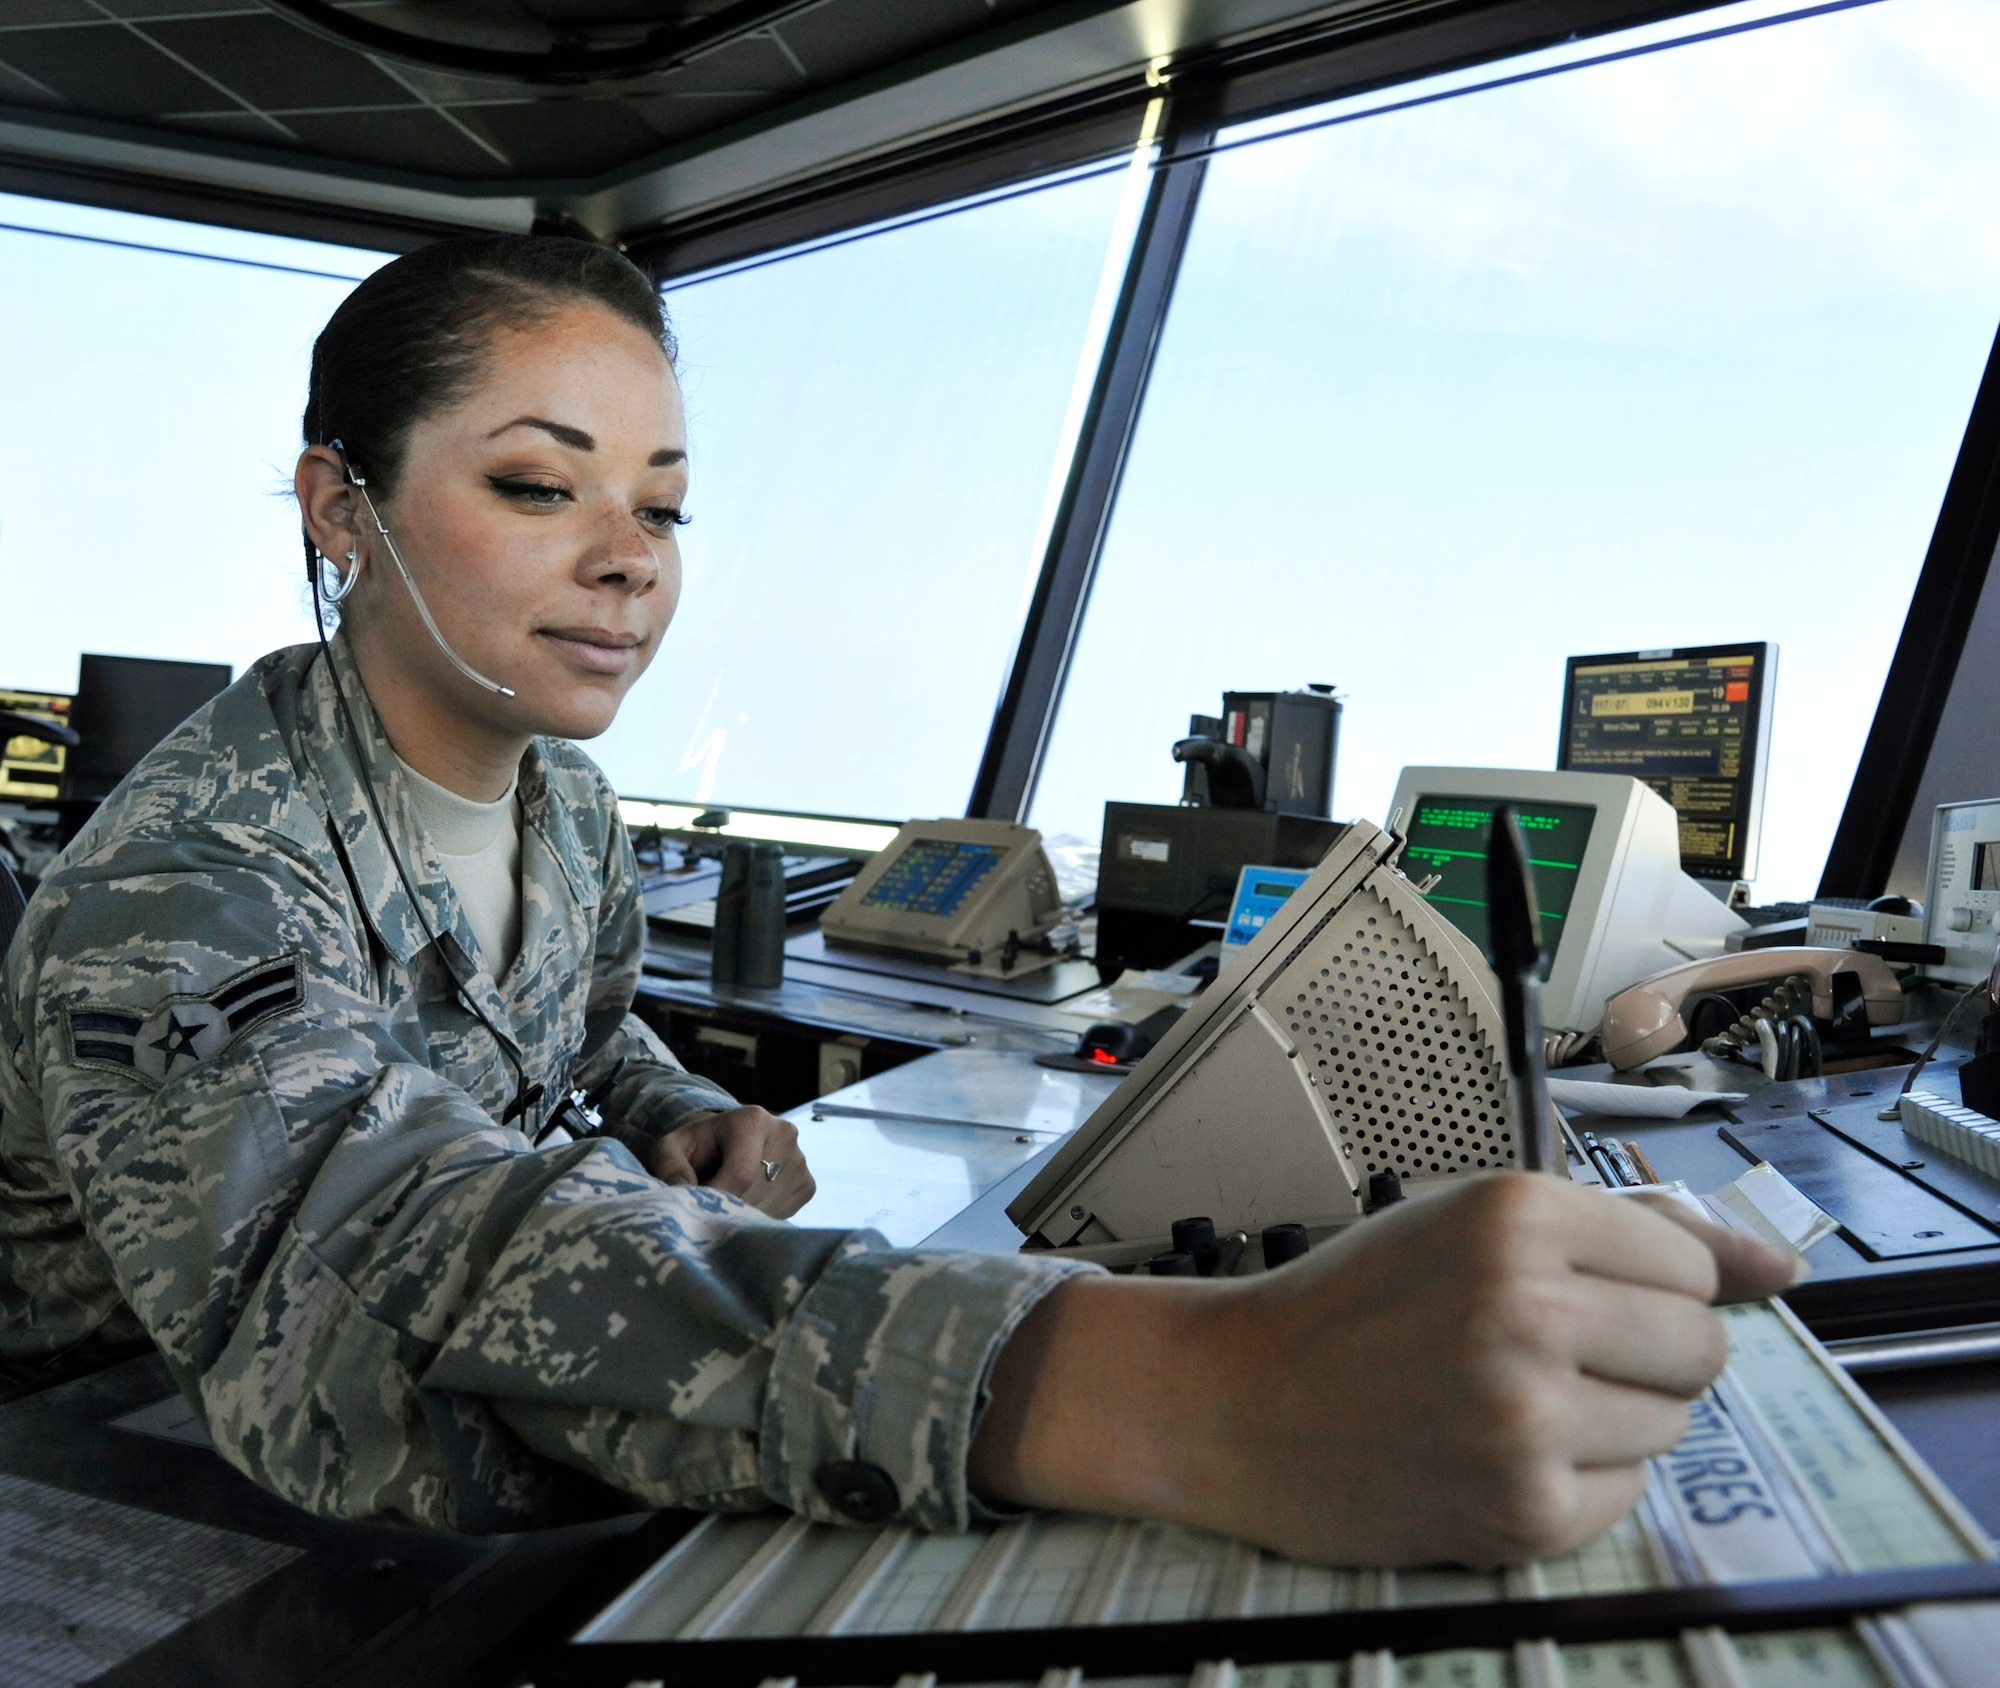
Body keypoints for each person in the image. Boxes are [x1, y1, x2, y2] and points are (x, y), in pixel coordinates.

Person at [0, 236, 1798, 1567]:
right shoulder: (175, 890)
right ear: (342, 507)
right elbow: (366, 1281)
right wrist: (1181, 1390)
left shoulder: (559, 797)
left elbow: (566, 1020)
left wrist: (677, 1106)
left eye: (666, 506)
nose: (629, 557)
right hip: (97, 1475)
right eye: (540, 485)